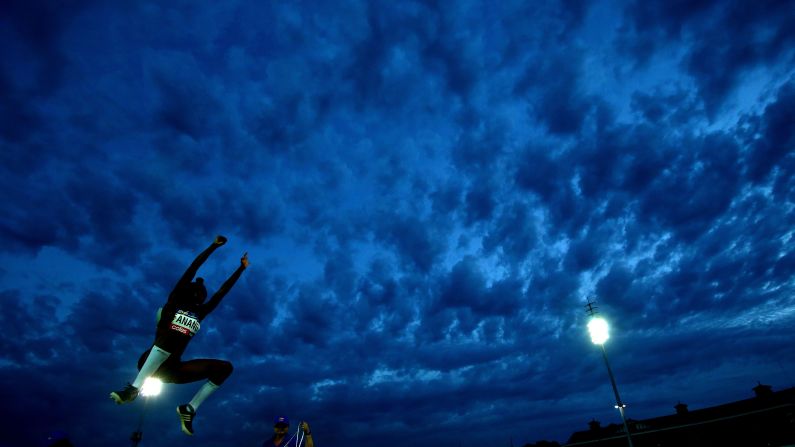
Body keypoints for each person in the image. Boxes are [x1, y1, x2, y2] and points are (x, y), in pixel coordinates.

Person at [110, 235, 249, 436]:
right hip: (149, 362)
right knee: (172, 336)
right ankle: (133, 388)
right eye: (198, 292)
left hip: (171, 369)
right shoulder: (174, 301)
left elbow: (222, 292)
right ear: (189, 291)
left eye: (203, 294)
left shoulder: (201, 312)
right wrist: (213, 246)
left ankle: (189, 409)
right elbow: (193, 268)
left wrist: (241, 269)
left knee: (225, 368)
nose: (202, 295)